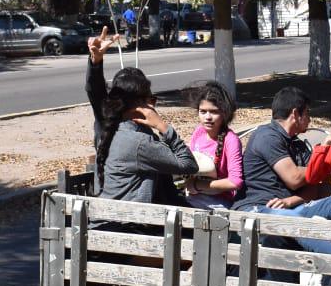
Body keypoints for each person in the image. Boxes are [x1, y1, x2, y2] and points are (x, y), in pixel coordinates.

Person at [235, 87, 331, 224]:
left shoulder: (298, 145)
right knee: (297, 222)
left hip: (290, 211)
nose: (310, 119)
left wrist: (289, 201)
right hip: (258, 210)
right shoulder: (267, 136)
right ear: (295, 114)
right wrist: (324, 151)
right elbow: (294, 178)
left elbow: (314, 188)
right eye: (307, 113)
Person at [93, 66, 197, 204]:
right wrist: (163, 127)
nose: (153, 107)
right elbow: (189, 165)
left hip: (109, 218)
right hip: (129, 223)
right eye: (151, 100)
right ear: (140, 105)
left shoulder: (110, 131)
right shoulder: (139, 142)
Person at [185, 81, 243, 209]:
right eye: (203, 111)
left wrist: (198, 185)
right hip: (194, 197)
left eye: (214, 112)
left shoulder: (231, 140)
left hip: (219, 202)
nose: (208, 117)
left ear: (225, 113)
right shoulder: (198, 132)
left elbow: (235, 181)